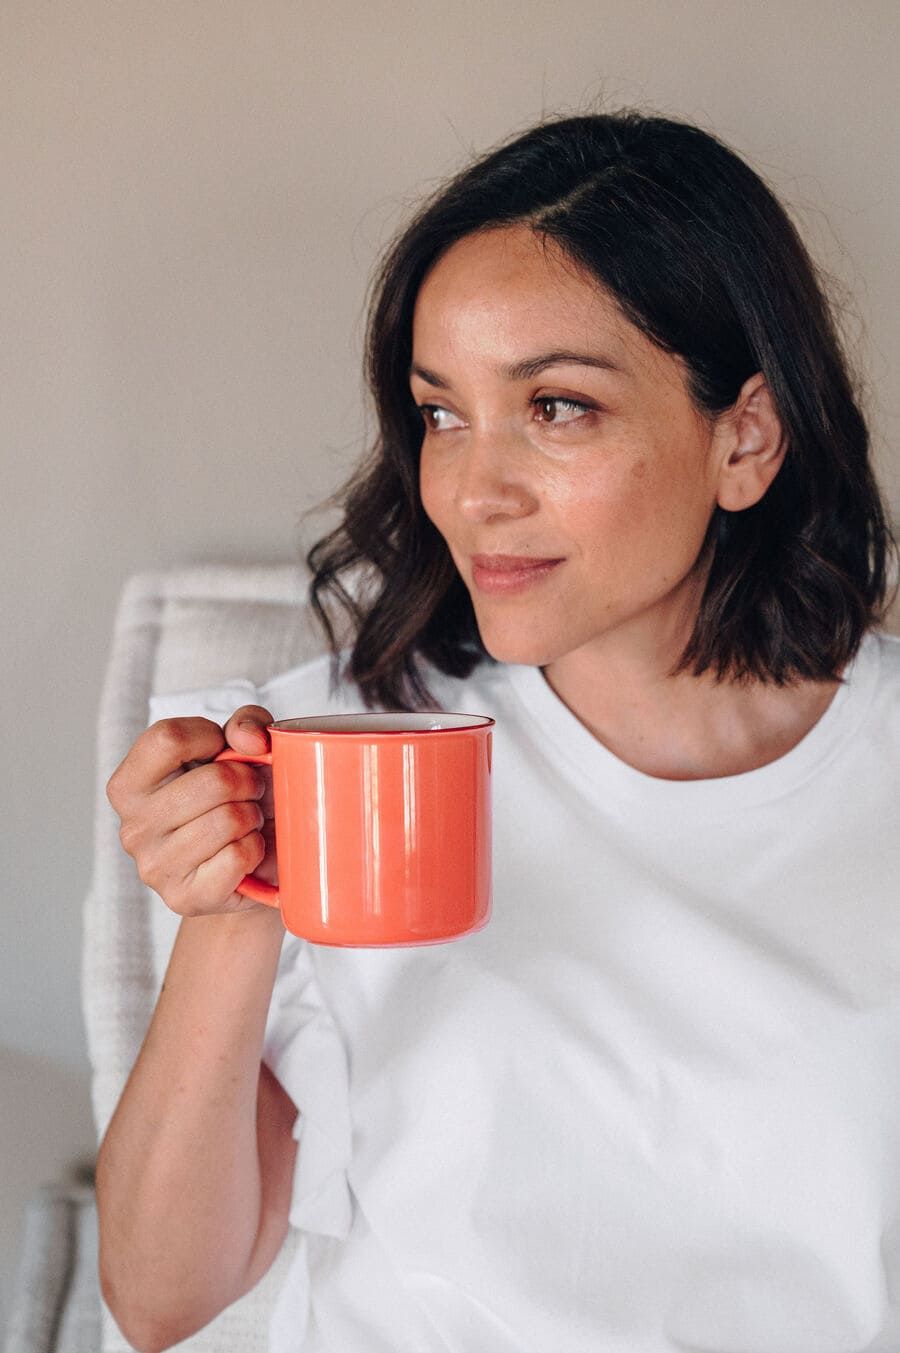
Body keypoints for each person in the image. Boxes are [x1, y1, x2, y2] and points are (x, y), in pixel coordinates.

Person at [98, 108, 900, 1353]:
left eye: (560, 408)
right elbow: (159, 1300)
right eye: (444, 414)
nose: (475, 492)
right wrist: (233, 910)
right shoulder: (343, 746)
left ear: (744, 438)